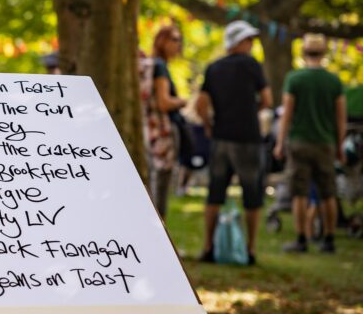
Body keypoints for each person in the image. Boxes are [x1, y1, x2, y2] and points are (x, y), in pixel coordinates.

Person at [195, 21, 272, 265]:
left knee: (214, 194)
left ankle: (208, 247)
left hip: (220, 137)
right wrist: (252, 110)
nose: (251, 45)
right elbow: (267, 99)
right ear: (241, 42)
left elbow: (201, 103)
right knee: (252, 195)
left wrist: (209, 125)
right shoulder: (252, 66)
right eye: (249, 40)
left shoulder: (213, 68)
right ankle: (249, 250)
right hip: (248, 138)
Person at [273, 34, 346, 254]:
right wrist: (340, 145)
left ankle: (301, 238)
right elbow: (340, 118)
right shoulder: (334, 81)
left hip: (299, 142)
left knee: (300, 193)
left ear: (304, 53)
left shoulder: (294, 79)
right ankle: (329, 239)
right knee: (328, 193)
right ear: (324, 53)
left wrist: (279, 142)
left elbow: (287, 114)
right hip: (326, 143)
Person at [146, 25, 188, 219]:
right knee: (161, 181)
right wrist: (182, 101)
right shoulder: (159, 66)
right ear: (162, 41)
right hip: (162, 130)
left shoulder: (153, 64)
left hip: (152, 130)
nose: (178, 45)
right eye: (174, 39)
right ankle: (159, 228)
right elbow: (164, 102)